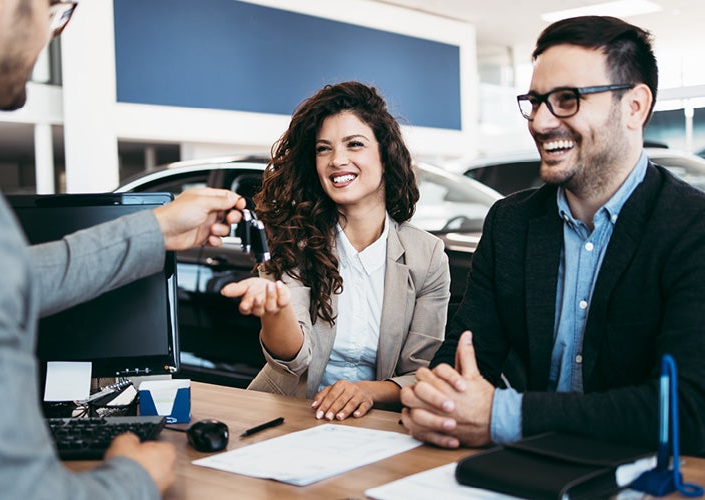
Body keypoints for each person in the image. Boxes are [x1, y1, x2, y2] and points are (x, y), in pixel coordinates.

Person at [0, 1, 245, 499]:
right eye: (57, 9)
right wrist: (136, 478)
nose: (55, 33)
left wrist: (155, 232)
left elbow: (4, 280)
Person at [400, 15, 705, 455]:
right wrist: (440, 400)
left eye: (567, 99)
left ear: (635, 107)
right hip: (529, 466)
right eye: (536, 101)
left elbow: (689, 409)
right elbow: (464, 355)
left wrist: (503, 417)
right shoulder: (510, 222)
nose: (541, 123)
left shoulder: (691, 227)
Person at [221, 81, 450, 421]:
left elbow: (421, 373)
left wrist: (367, 391)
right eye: (323, 149)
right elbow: (293, 360)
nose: (337, 161)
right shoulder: (293, 239)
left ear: (385, 155)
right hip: (287, 414)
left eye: (354, 144)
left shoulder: (427, 255)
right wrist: (276, 308)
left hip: (379, 424)